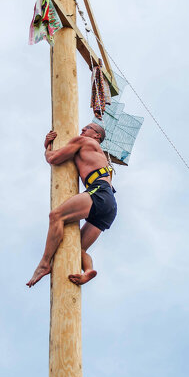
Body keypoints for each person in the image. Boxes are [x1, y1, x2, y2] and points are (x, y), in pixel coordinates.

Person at [26, 123, 117, 288]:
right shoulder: (96, 152)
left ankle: (45, 263)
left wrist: (47, 147)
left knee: (56, 216)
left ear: (97, 135)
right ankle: (88, 269)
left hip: (99, 192)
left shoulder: (83, 141)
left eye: (87, 128)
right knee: (77, 250)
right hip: (109, 204)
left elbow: (53, 158)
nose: (82, 130)